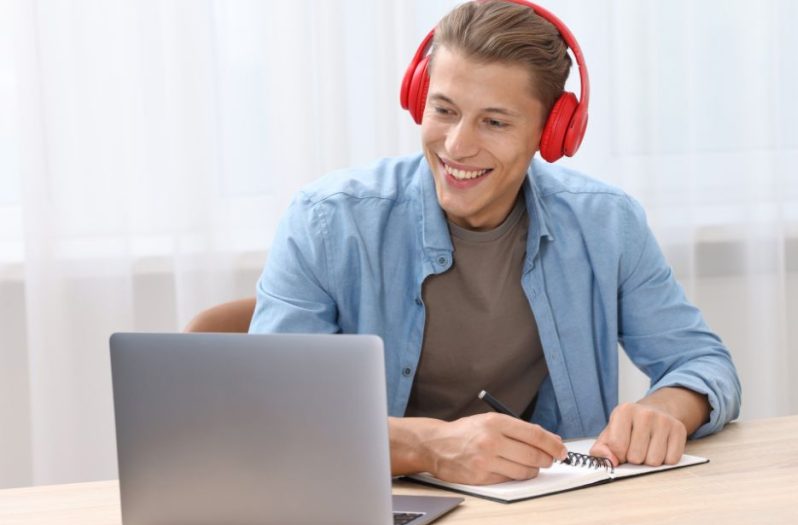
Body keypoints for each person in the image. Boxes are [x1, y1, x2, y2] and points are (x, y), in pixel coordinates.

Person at [250, 0, 741, 486]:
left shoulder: (606, 224)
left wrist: (664, 410)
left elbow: (702, 363)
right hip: (379, 503)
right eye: (443, 109)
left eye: (495, 122)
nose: (457, 145)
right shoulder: (326, 221)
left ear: (551, 133)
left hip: (546, 507)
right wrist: (428, 448)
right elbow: (270, 413)